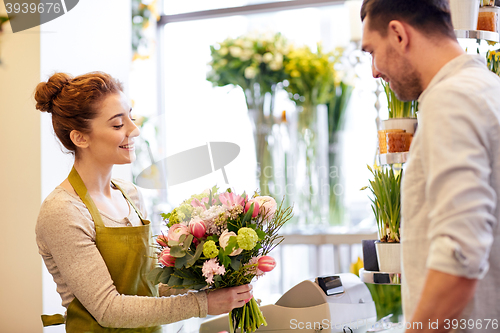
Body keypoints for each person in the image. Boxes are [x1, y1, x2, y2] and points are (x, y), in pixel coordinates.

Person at [35, 72, 252, 332]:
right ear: (80, 138)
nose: (134, 130)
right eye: (117, 125)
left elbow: (150, 284)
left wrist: (214, 275)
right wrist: (202, 304)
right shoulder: (63, 211)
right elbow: (108, 309)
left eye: (131, 118)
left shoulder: (131, 195)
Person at [360, 0, 500, 332]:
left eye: (371, 51)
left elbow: (459, 252)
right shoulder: (488, 89)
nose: (375, 71)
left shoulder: (450, 100)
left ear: (398, 34)